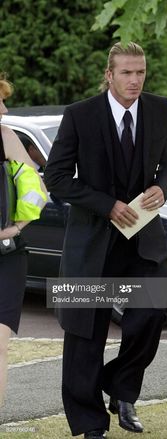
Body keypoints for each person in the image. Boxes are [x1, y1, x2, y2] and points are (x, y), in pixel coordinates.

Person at [44, 42, 167, 439]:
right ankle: (90, 425)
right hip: (92, 242)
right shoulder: (79, 115)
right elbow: (56, 178)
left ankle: (120, 388)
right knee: (85, 334)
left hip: (143, 240)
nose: (135, 80)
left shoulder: (160, 108)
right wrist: (106, 205)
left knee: (151, 315)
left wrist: (162, 186)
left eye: (140, 72)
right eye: (126, 73)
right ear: (109, 75)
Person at [0, 73, 47, 406]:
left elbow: (38, 190)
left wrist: (16, 227)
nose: (3, 108)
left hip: (7, 256)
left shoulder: (5, 136)